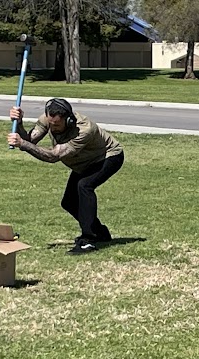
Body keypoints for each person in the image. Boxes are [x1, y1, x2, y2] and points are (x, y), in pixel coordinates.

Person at [8, 98, 124, 255]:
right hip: (83, 164)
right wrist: (19, 123)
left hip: (108, 157)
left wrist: (22, 144)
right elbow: (30, 140)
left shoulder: (84, 130)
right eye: (51, 124)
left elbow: (53, 156)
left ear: (68, 120)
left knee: (85, 186)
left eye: (57, 125)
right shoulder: (47, 119)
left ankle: (88, 240)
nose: (53, 128)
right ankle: (100, 233)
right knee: (68, 202)